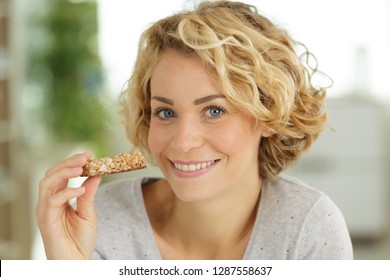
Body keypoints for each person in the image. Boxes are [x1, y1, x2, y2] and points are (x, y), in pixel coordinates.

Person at [35, 0, 353, 260]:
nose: (183, 142)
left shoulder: (310, 229)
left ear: (268, 115)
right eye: (166, 112)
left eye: (214, 111)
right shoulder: (101, 222)